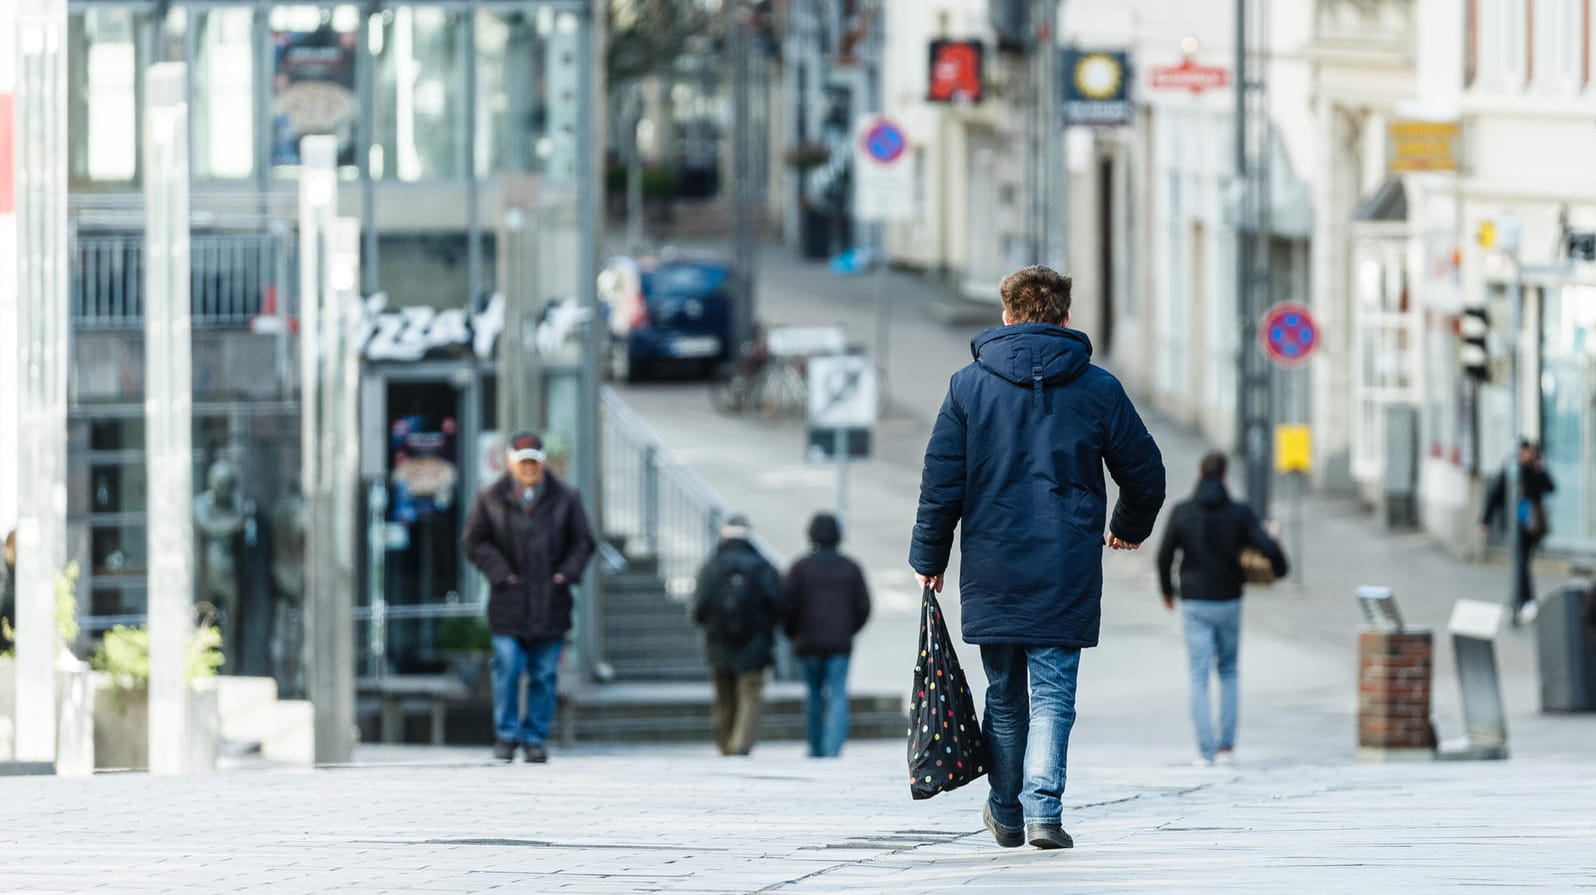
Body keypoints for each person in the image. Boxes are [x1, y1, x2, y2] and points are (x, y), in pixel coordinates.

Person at [909, 265, 1165, 851]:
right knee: (1054, 694)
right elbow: (1146, 473)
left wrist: (930, 555)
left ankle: (1004, 809)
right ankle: (1044, 812)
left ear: (1006, 316)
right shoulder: (1098, 388)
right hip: (1066, 561)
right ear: (1066, 318)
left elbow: (941, 482)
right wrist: (1126, 528)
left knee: (1003, 695)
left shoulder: (967, 387)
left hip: (993, 565)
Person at [462, 431, 596, 763]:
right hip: (508, 603)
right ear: (510, 463)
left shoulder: (566, 497)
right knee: (507, 667)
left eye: (534, 462)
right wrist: (500, 572)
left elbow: (584, 542)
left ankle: (535, 738)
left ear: (543, 462)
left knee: (544, 674)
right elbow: (474, 541)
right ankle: (506, 735)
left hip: (552, 603)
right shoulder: (490, 497)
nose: (529, 468)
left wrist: (565, 574)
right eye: (523, 462)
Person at [1155, 451, 1288, 767]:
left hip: (1194, 602)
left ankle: (1206, 750)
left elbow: (1163, 555)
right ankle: (1227, 747)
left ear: (1200, 476)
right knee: (1228, 670)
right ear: (1225, 476)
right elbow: (1267, 545)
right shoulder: (1239, 512)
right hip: (1229, 600)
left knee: (1199, 675)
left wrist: (1167, 592)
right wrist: (1281, 570)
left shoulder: (1182, 512)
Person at [782, 512, 871, 758]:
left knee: (813, 695)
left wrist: (793, 633)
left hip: (807, 642)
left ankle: (816, 747)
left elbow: (787, 606)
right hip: (840, 643)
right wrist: (848, 630)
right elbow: (863, 606)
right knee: (838, 694)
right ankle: (833, 749)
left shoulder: (800, 568)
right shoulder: (851, 567)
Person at [693, 514, 781, 757]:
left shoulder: (711, 566)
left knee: (724, 697)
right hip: (755, 643)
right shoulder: (763, 565)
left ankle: (725, 745)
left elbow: (699, 606)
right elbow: (776, 604)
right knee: (750, 694)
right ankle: (741, 745)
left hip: (718, 643)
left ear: (723, 534)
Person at [1481, 440, 1556, 626]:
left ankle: (1520, 600)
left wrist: (1540, 470)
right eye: (1526, 452)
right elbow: (1495, 494)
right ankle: (1522, 600)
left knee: (1523, 562)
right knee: (1520, 562)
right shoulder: (1511, 469)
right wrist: (1486, 520)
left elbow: (1550, 487)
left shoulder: (1534, 470)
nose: (1528, 455)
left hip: (1530, 525)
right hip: (1516, 523)